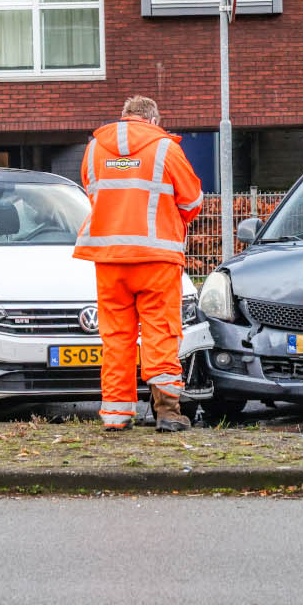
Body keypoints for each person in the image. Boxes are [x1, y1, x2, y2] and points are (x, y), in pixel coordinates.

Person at [75, 96, 204, 431]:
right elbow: (192, 200)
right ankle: (168, 414)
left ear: (123, 117)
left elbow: (93, 195)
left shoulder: (94, 149)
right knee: (160, 331)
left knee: (116, 336)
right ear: (154, 119)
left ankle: (116, 415)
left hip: (109, 258)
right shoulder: (165, 148)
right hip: (155, 258)